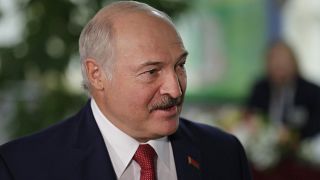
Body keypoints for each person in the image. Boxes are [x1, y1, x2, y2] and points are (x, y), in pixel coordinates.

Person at [0, 1, 251, 180]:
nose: (175, 89)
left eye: (180, 65)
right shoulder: (23, 167)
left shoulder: (223, 153)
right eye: (152, 71)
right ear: (96, 75)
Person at [247, 40, 320, 140]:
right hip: (264, 146)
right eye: (274, 61)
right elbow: (251, 117)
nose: (279, 65)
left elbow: (316, 124)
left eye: (284, 61)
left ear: (294, 63)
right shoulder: (259, 89)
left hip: (302, 147)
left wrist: (291, 137)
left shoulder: (312, 91)